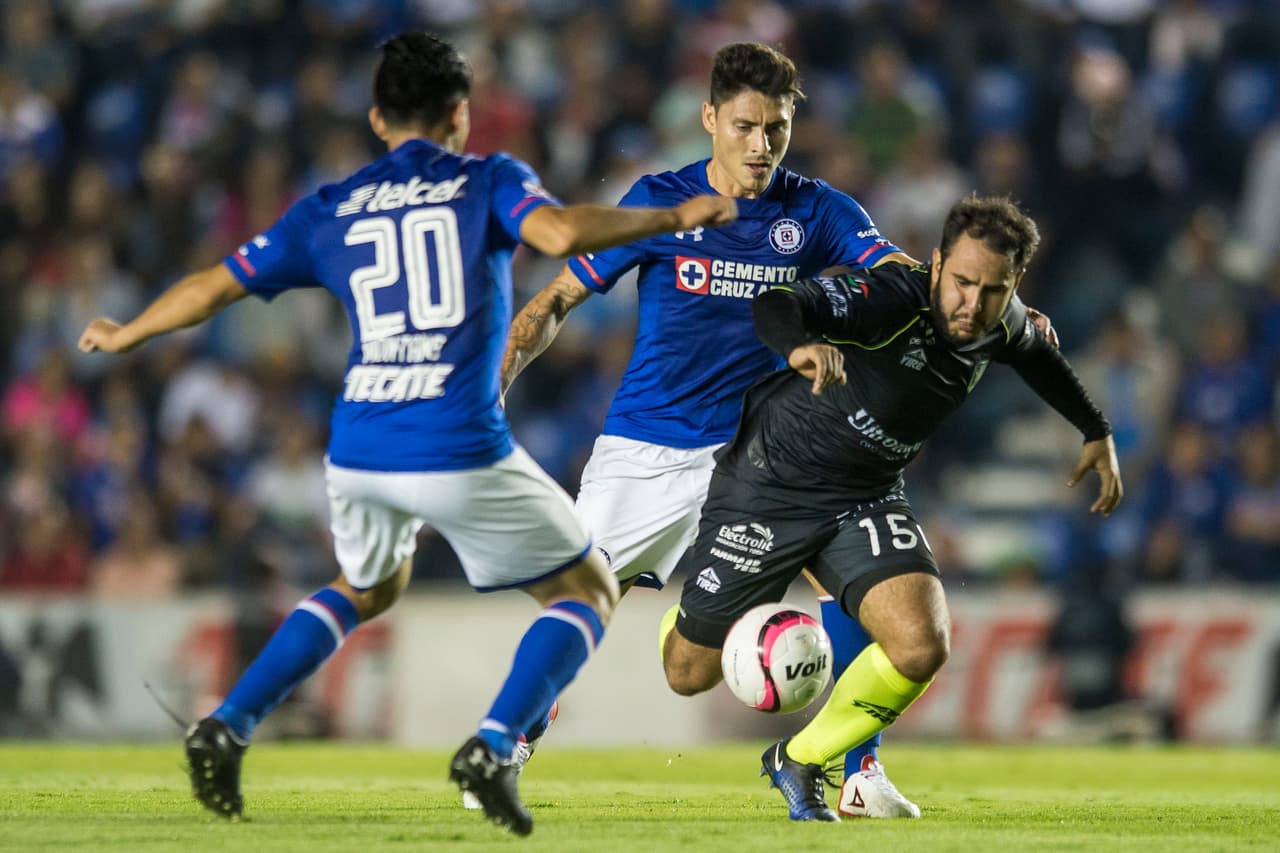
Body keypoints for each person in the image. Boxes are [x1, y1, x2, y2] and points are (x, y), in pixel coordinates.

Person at [77, 31, 737, 837]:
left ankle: (229, 721)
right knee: (587, 588)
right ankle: (493, 743)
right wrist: (675, 214)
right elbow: (560, 235)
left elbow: (217, 285)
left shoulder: (331, 205)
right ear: (460, 114)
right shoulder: (490, 179)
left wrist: (128, 332)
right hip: (455, 437)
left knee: (367, 588)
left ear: (376, 119)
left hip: (359, 444)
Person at [502, 41, 1056, 817]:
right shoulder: (660, 202)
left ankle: (858, 768)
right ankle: (514, 735)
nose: (762, 144)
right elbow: (555, 299)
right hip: (651, 446)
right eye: (746, 126)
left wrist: (1010, 315)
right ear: (709, 119)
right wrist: (497, 384)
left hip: (775, 455)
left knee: (867, 597)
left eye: (777, 128)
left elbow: (909, 280)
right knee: (580, 604)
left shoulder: (820, 210)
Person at [660, 195, 1123, 822]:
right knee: (688, 672)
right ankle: (698, 615)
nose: (972, 303)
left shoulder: (1005, 321)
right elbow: (779, 304)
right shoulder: (889, 298)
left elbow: (1039, 358)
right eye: (962, 282)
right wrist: (797, 347)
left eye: (993, 290)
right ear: (937, 265)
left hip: (867, 490)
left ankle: (800, 760)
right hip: (772, 481)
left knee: (921, 645)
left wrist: (1094, 430)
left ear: (1014, 286)